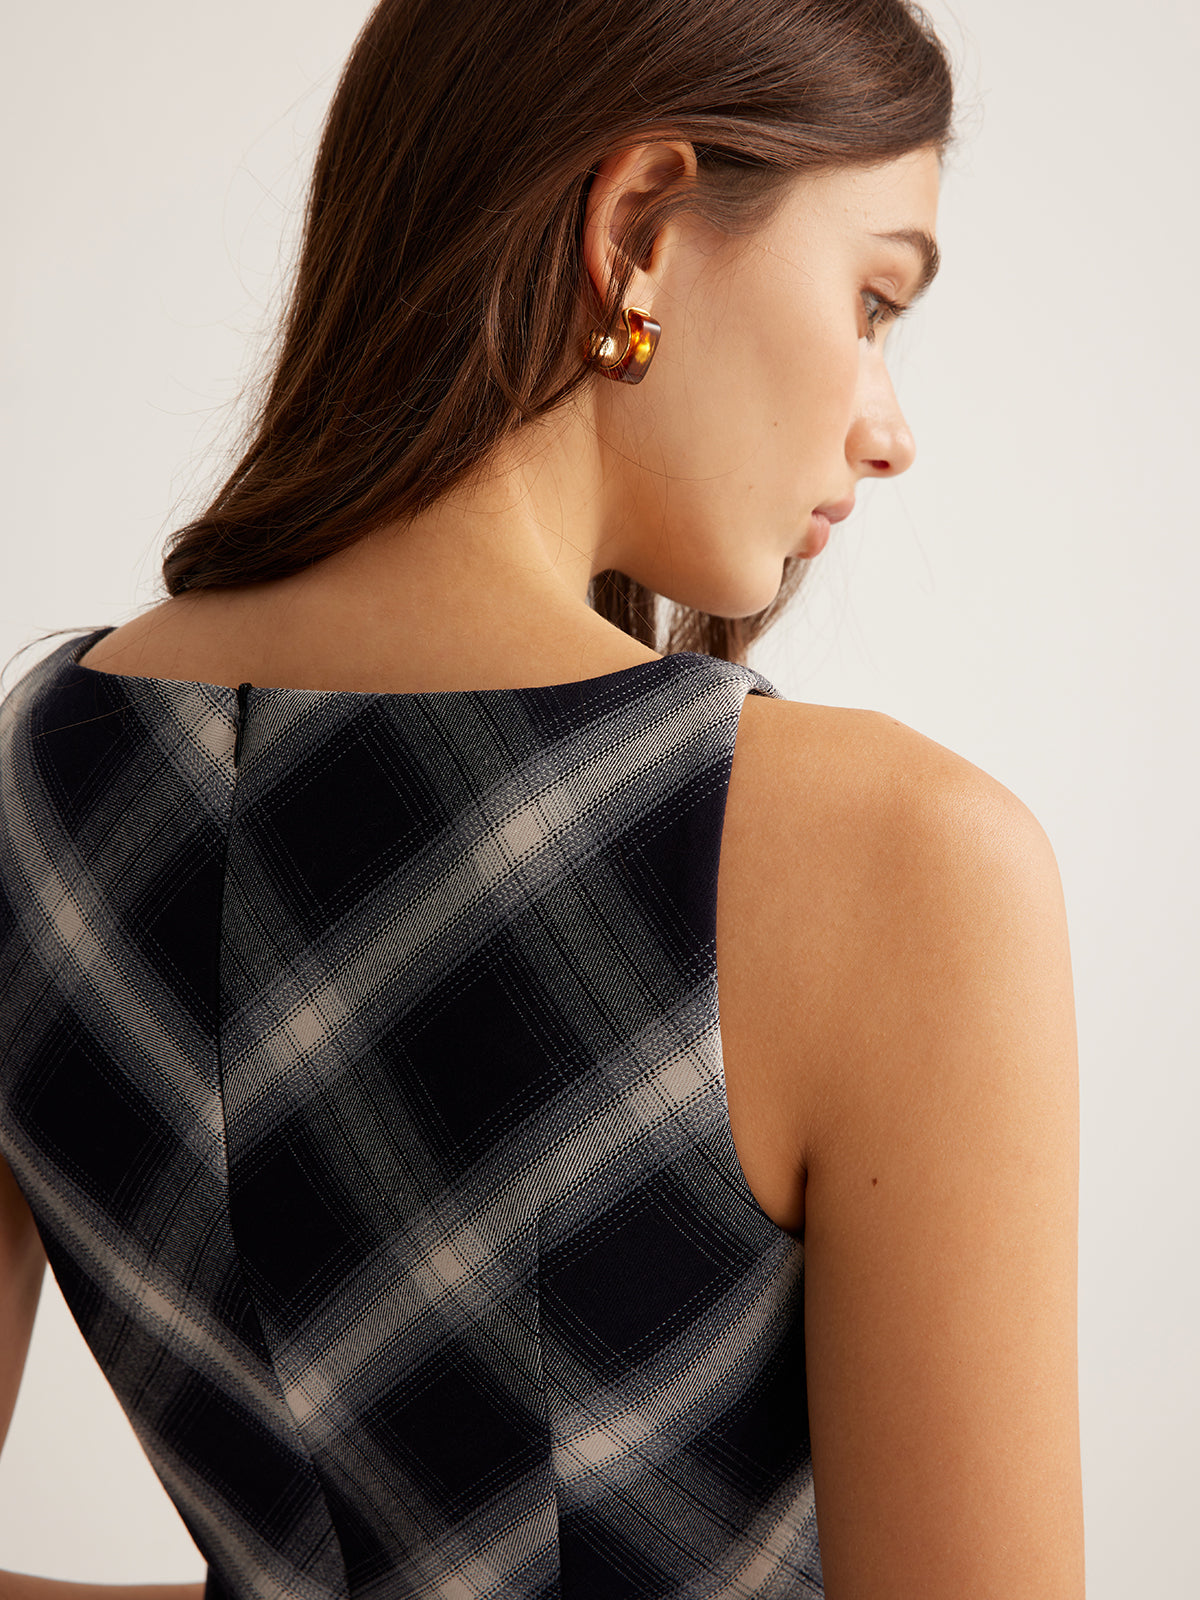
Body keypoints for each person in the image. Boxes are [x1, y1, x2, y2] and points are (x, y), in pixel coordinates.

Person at [0, 1, 1084, 1596]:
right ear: (638, 227)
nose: (888, 426)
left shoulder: (40, 773)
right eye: (871, 297)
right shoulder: (893, 858)